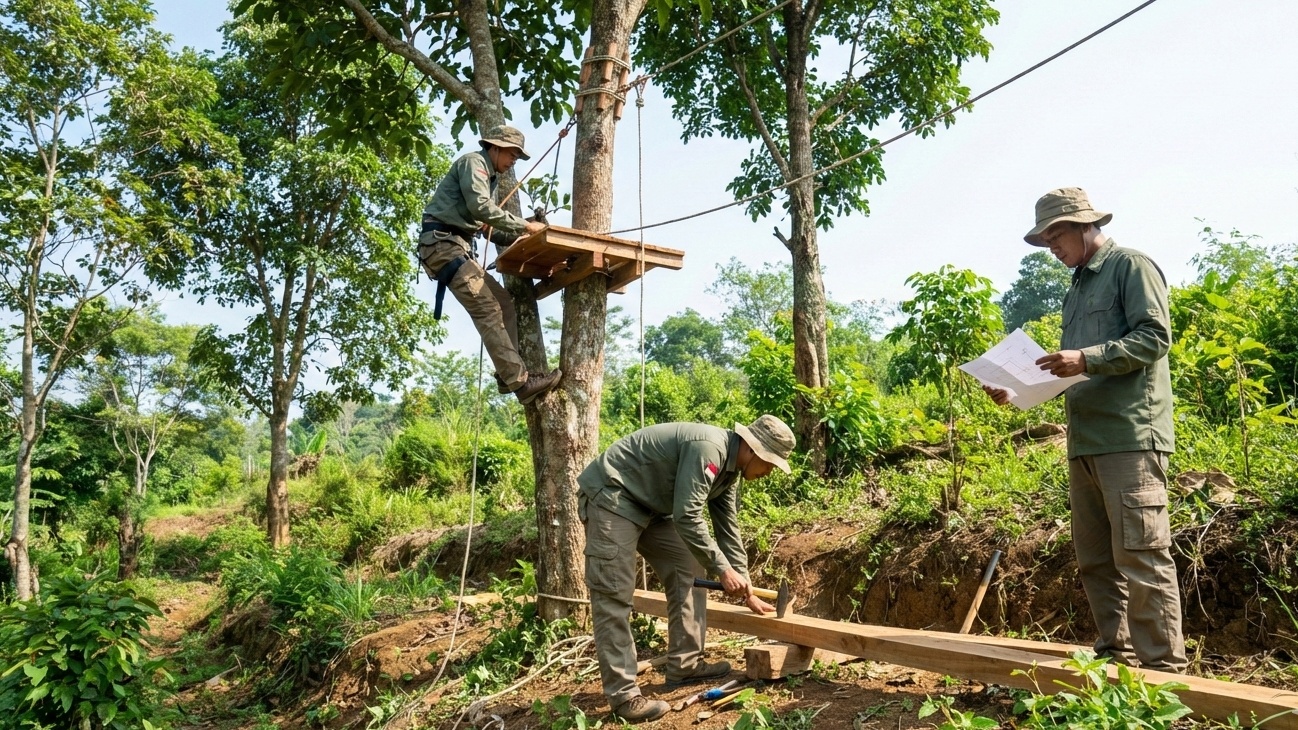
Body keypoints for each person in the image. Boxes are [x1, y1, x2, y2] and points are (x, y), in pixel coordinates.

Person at [985, 187, 1186, 672]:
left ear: (1084, 225)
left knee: (1141, 555)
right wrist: (1018, 392)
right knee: (1096, 560)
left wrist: (1087, 357)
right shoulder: (1076, 287)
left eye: (1057, 234)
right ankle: (1118, 659)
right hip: (1085, 442)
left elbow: (1155, 337)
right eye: (1045, 238)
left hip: (1130, 437)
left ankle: (1163, 674)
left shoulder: (1130, 266)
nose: (1051, 246)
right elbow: (1068, 372)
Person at [579, 415, 795, 722]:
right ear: (753, 450)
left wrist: (744, 585)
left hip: (649, 506)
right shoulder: (709, 449)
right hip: (613, 496)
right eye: (770, 464)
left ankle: (685, 664)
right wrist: (723, 569)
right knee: (614, 592)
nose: (768, 472)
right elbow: (687, 515)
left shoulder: (729, 472)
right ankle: (624, 697)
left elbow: (728, 528)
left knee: (688, 565)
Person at [418, 125, 560, 404]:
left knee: (503, 302)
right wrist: (524, 226)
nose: (513, 162)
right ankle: (520, 383)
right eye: (511, 154)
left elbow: (487, 226)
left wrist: (529, 228)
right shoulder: (474, 163)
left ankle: (505, 376)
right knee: (488, 309)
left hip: (455, 247)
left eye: (517, 158)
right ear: (494, 147)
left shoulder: (489, 178)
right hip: (443, 246)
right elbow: (481, 209)